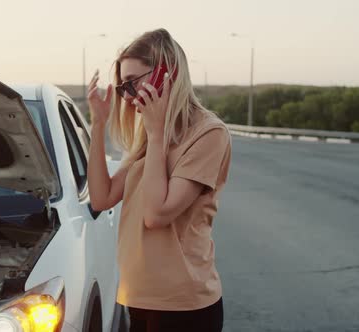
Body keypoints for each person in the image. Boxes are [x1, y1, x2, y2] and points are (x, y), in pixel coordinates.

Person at [86, 28, 231, 332]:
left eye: (134, 83)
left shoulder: (208, 134)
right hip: (139, 297)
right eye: (123, 87)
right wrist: (98, 123)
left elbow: (156, 214)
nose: (129, 97)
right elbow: (101, 198)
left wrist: (155, 135)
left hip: (182, 305)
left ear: (168, 74)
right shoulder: (148, 136)